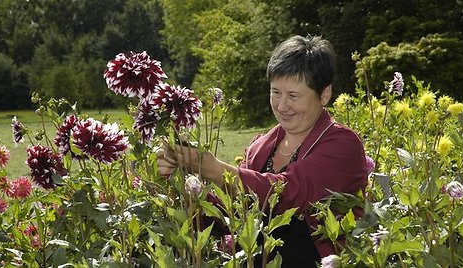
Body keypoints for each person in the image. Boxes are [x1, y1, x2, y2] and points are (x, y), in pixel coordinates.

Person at [156, 34, 368, 267]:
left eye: (293, 96)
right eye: (275, 92)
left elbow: (288, 193)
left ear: (324, 94)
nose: (281, 105)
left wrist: (215, 168)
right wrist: (182, 178)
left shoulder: (343, 144)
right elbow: (230, 216)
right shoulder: (261, 147)